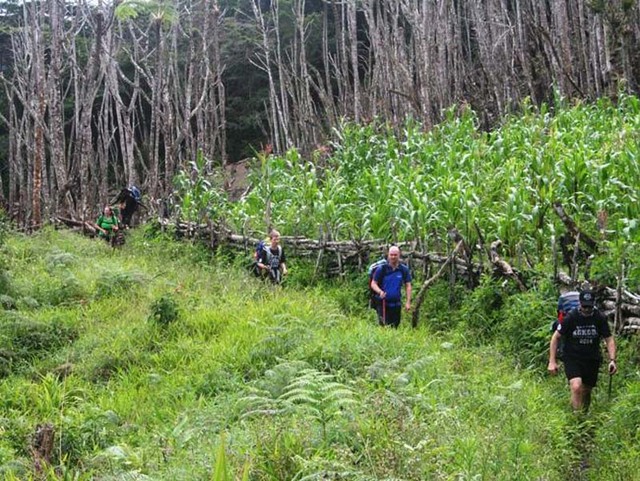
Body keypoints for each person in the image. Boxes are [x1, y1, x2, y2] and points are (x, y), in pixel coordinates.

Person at [548, 290, 617, 412]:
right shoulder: (571, 317)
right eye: (584, 306)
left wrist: (612, 360)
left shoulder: (599, 318)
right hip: (572, 356)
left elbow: (609, 339)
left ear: (593, 304)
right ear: (580, 304)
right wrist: (552, 361)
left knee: (586, 391)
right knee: (576, 387)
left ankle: (583, 416)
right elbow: (555, 337)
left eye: (589, 307)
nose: (587, 309)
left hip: (591, 358)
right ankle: (576, 419)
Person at [370, 246, 412, 328]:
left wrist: (408, 302)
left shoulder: (403, 269)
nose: (393, 257)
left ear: (399, 255)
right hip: (383, 302)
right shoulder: (382, 269)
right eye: (391, 255)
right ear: (388, 255)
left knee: (395, 326)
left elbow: (408, 285)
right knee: (384, 326)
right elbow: (373, 283)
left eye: (395, 255)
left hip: (396, 304)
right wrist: (380, 292)